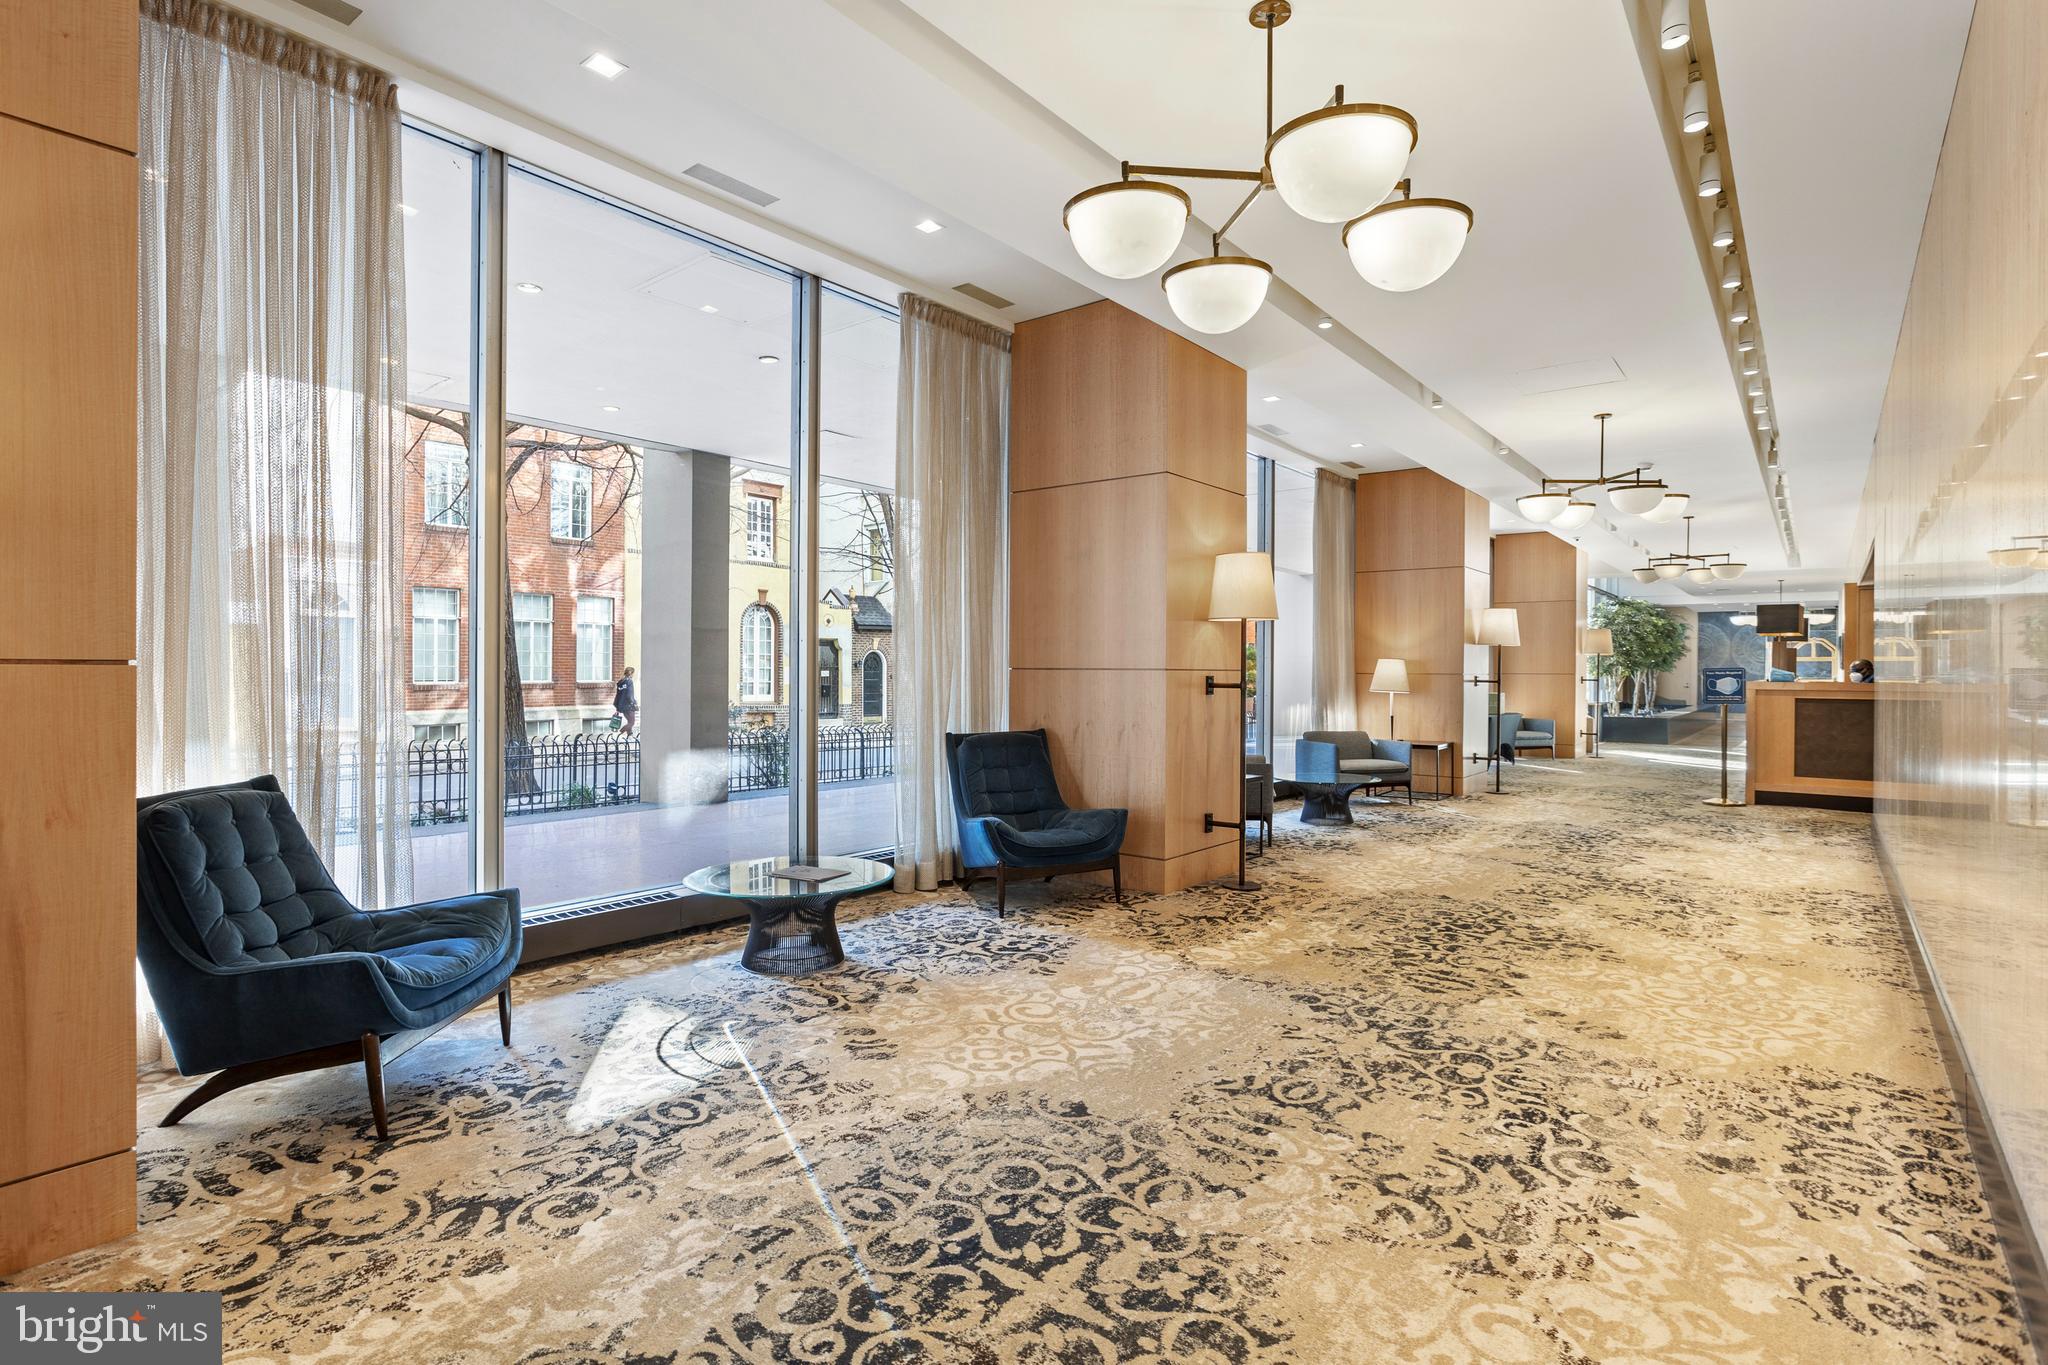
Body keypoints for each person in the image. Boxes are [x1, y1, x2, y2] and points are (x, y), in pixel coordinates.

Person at [613, 666, 638, 734]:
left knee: (629, 721)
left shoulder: (621, 682)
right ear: (631, 673)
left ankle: (630, 735)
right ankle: (619, 733)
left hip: (622, 705)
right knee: (632, 723)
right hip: (628, 705)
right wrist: (633, 703)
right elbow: (629, 695)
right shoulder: (629, 681)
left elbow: (618, 695)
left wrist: (617, 706)